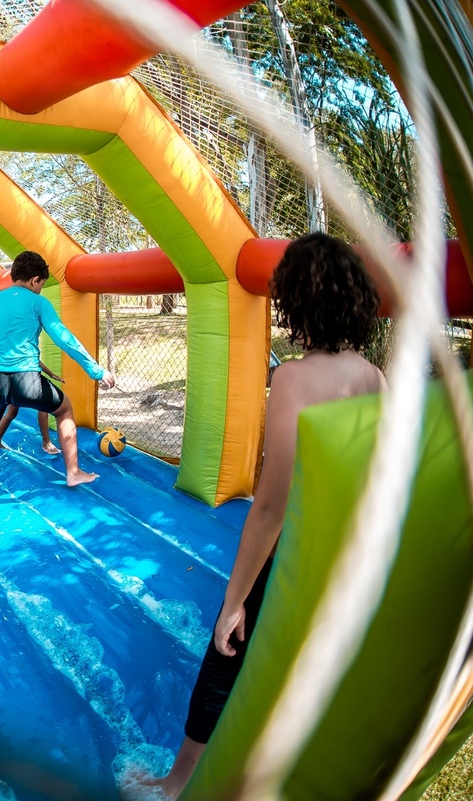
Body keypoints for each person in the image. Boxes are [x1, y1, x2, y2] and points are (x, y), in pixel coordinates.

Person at [137, 232, 386, 799]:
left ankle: (179, 783)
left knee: (225, 655)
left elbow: (271, 505)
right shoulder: (375, 378)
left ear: (296, 301)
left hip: (297, 549)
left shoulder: (294, 377)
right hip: (348, 554)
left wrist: (234, 602)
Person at [0, 251, 116, 522]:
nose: (40, 289)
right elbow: (63, 337)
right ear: (35, 279)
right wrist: (95, 370)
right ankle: (73, 472)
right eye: (41, 284)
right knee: (64, 409)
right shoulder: (38, 302)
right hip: (27, 381)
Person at [0, 360, 64, 455]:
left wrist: (51, 374)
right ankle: (46, 442)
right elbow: (36, 360)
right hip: (28, 380)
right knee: (44, 408)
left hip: (15, 379)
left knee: (12, 413)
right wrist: (51, 375)